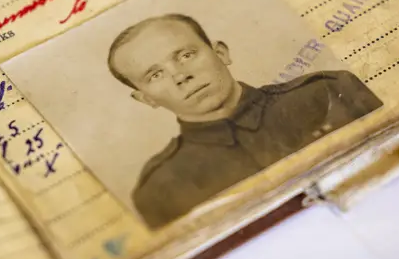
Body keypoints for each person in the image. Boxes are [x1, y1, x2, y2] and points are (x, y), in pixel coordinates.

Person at [107, 14, 382, 229]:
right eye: (155, 75)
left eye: (185, 55)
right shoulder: (160, 189)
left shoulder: (329, 92)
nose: (181, 76)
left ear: (220, 53)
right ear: (146, 98)